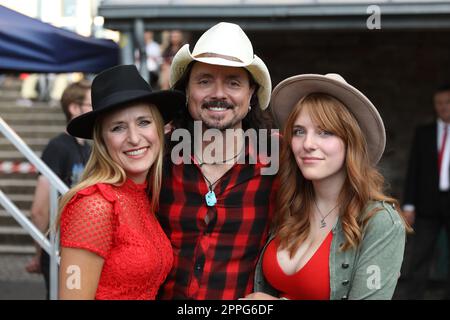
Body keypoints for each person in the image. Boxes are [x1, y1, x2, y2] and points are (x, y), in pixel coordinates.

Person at [245, 73, 410, 300]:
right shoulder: (287, 203)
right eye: (299, 131)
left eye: (325, 132)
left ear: (350, 141)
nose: (308, 144)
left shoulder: (380, 222)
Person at [157, 22, 278, 300]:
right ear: (187, 92)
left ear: (251, 96)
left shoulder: (280, 160)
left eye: (233, 82)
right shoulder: (158, 157)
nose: (218, 94)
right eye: (205, 80)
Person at [57, 65, 185, 299]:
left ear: (160, 129)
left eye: (144, 122)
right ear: (103, 140)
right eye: (118, 127)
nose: (134, 138)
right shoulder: (93, 205)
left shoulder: (142, 195)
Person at [26, 79, 92, 299]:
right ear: (74, 108)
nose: (97, 112)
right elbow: (39, 209)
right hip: (57, 250)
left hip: (80, 247)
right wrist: (41, 252)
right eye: (92, 106)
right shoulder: (58, 147)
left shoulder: (89, 148)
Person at [403, 84, 450, 299]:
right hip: (427, 204)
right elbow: (413, 170)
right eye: (439, 103)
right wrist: (409, 205)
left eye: (447, 102)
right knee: (419, 256)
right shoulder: (424, 133)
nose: (443, 107)